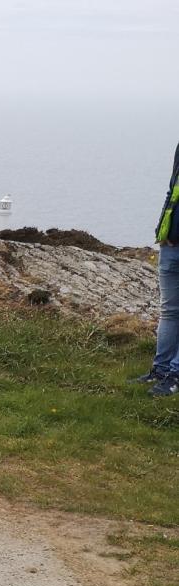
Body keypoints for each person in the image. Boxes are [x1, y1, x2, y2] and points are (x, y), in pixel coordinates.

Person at [130, 142, 179, 398]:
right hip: (171, 246)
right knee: (170, 311)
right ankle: (160, 369)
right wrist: (162, 230)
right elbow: (172, 191)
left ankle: (175, 375)